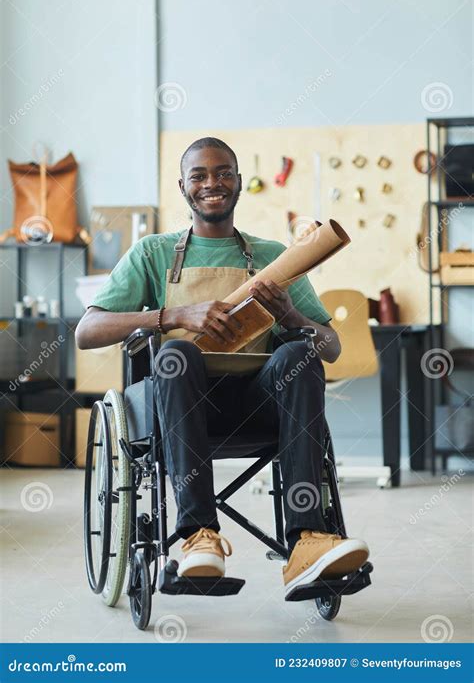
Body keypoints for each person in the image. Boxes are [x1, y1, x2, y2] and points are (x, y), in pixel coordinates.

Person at [76, 137, 369, 598]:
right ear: (183, 187)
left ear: (237, 182)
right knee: (177, 353)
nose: (212, 183)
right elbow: (87, 331)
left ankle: (308, 541)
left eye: (223, 173)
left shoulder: (273, 256)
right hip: (181, 406)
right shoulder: (153, 253)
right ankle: (198, 536)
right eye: (199, 175)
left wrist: (291, 318)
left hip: (259, 404)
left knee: (301, 352)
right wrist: (171, 316)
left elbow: (330, 347)